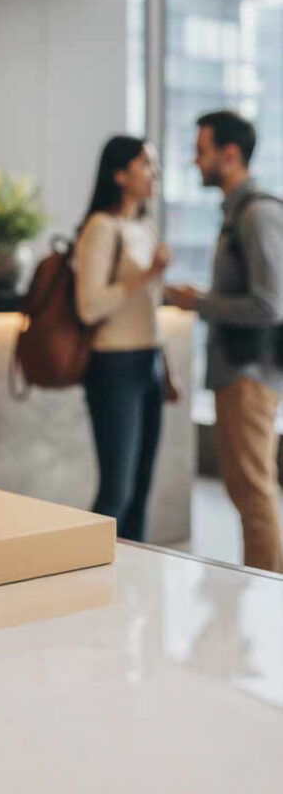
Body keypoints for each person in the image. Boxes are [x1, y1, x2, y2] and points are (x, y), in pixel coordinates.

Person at [167, 110, 283, 573]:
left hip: (250, 375)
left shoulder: (258, 214)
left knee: (254, 494)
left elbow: (270, 304)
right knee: (247, 491)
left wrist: (201, 303)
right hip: (237, 372)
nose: (195, 161)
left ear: (229, 154)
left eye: (201, 150)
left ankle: (267, 595)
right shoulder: (237, 212)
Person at [75, 135, 177, 541]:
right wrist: (146, 276)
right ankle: (86, 576)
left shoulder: (145, 227)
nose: (156, 173)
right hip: (113, 366)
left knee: (140, 491)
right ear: (119, 174)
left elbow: (148, 309)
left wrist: (167, 370)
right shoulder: (101, 228)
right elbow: (89, 307)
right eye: (146, 164)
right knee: (116, 490)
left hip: (147, 363)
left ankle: (135, 589)